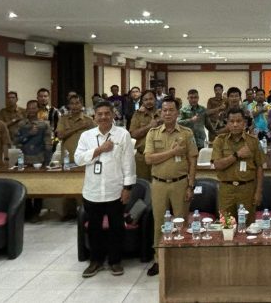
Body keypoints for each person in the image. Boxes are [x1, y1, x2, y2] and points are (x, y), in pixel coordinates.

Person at [74, 101, 136, 278]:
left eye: (107, 113)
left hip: (115, 190)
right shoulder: (86, 136)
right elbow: (78, 159)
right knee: (94, 229)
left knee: (117, 228)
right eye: (99, 114)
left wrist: (127, 187)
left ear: (113, 115)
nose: (103, 117)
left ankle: (115, 261)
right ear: (94, 116)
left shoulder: (123, 135)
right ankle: (96, 261)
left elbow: (128, 163)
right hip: (92, 191)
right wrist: (99, 149)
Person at [144, 97, 199, 276]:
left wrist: (191, 185)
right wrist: (173, 152)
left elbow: (192, 159)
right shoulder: (153, 133)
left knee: (181, 222)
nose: (167, 113)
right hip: (159, 184)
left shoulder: (186, 133)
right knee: (159, 223)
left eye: (171, 110)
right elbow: (148, 159)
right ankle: (158, 260)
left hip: (181, 183)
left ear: (177, 113)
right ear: (160, 113)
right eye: (164, 110)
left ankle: (180, 258)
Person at [212, 107, 265, 225]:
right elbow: (218, 165)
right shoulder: (219, 141)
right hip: (226, 190)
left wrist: (258, 192)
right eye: (232, 121)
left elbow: (260, 168)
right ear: (227, 123)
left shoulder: (253, 141)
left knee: (248, 226)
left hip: (247, 189)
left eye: (238, 121)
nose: (235, 124)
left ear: (244, 123)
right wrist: (237, 155)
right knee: (227, 225)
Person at [15, 100, 52, 222]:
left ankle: (36, 212)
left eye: (34, 108)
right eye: (29, 108)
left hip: (39, 159)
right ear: (26, 109)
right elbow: (16, 141)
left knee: (38, 186)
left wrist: (47, 161)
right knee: (24, 185)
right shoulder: (21, 124)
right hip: (23, 159)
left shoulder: (44, 124)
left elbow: (48, 143)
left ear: (38, 109)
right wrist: (29, 134)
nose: (31, 110)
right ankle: (27, 212)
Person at [128, 90, 161, 181]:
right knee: (143, 185)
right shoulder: (137, 115)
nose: (148, 101)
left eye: (151, 99)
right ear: (142, 101)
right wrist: (149, 126)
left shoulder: (162, 114)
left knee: (159, 184)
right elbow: (133, 134)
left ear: (155, 100)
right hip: (142, 158)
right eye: (146, 100)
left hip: (160, 156)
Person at [56, 95, 96, 163]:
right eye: (72, 103)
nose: (74, 106)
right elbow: (60, 136)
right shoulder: (63, 119)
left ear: (82, 105)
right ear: (69, 105)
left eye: (77, 103)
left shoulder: (89, 120)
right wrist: (79, 127)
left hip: (84, 160)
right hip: (67, 160)